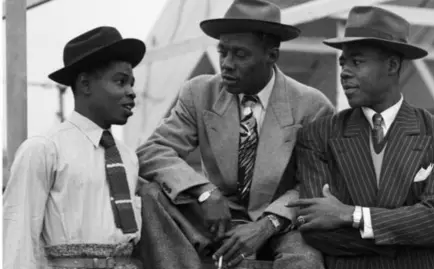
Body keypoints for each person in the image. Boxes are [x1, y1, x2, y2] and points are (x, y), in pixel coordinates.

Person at [135, 0, 335, 268]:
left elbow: (313, 183)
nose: (226, 64)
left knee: (305, 259)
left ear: (272, 55)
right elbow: (152, 151)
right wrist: (204, 191)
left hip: (280, 223)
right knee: (151, 193)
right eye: (223, 52)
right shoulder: (199, 93)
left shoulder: (312, 106)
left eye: (240, 55)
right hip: (215, 217)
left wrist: (268, 224)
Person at [286, 6, 434, 269]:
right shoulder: (318, 135)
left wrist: (351, 215)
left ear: (393, 65)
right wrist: (411, 237)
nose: (344, 72)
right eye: (343, 62)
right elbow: (315, 228)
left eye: (357, 62)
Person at [3, 26, 146, 269]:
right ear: (85, 85)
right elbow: (19, 241)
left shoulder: (128, 157)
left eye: (131, 83)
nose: (131, 92)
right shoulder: (44, 150)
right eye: (120, 82)